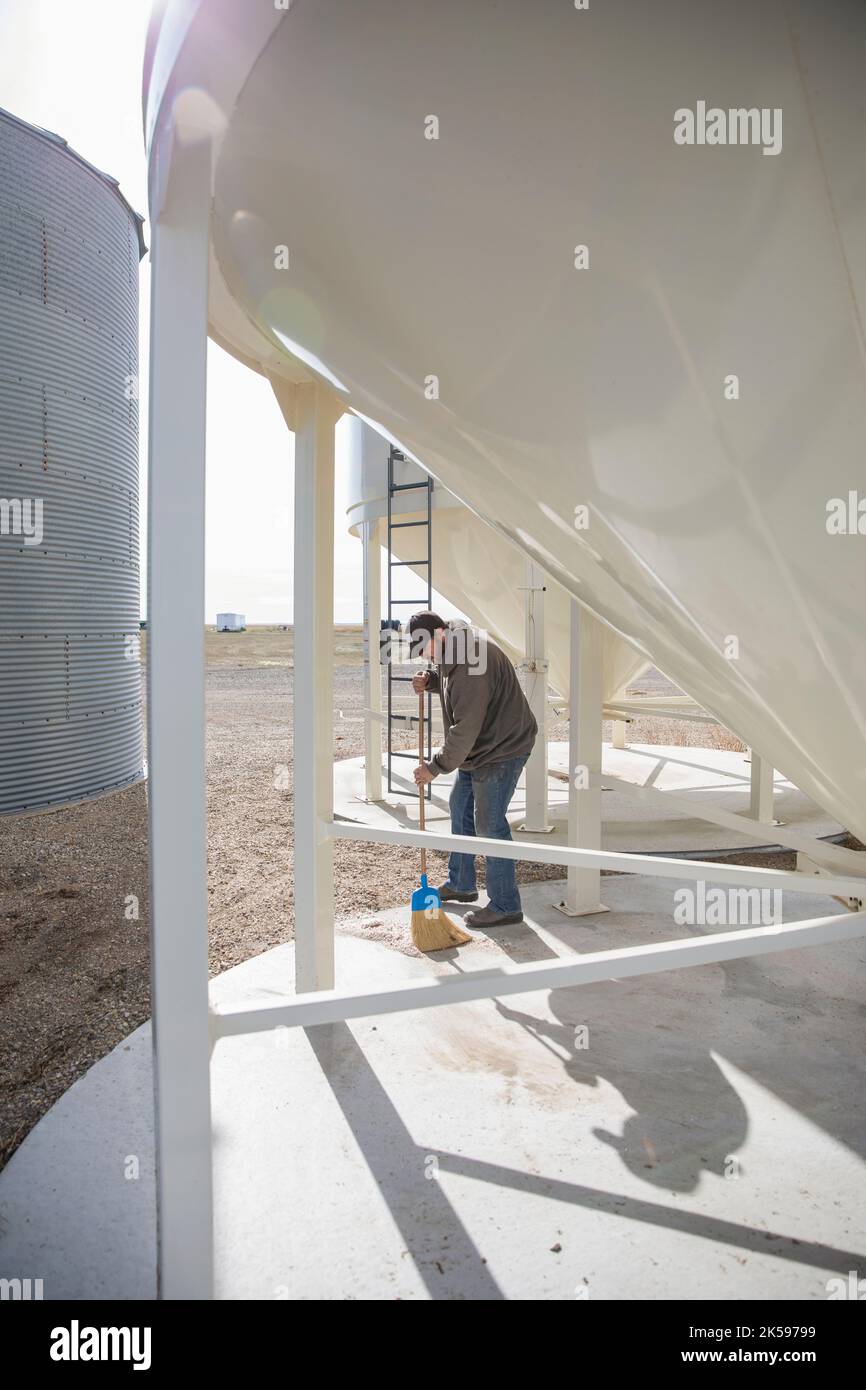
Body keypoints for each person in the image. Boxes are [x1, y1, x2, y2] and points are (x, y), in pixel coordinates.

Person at [409, 611, 537, 927]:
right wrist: (433, 681)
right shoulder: (451, 646)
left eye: (425, 647)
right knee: (460, 806)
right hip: (480, 746)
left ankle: (506, 905)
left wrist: (434, 768)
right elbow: (455, 683)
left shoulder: (470, 662)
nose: (424, 655)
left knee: (490, 824)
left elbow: (465, 727)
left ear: (439, 633)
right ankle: (463, 884)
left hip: (501, 747)